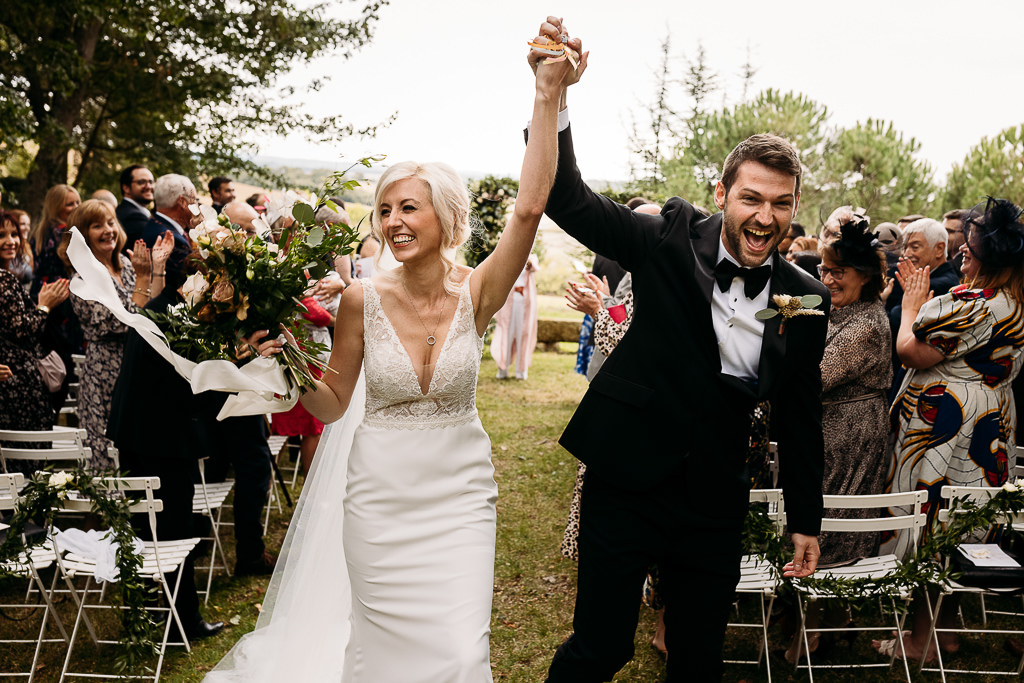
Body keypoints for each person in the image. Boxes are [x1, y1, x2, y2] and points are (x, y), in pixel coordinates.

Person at [205, 36, 581, 683]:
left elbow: (529, 206)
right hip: (379, 499)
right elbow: (331, 401)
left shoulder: (479, 290)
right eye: (384, 209)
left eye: (408, 206)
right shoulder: (359, 299)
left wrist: (548, 95)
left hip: (460, 494)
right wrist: (290, 358)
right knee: (382, 659)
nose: (393, 220)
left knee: (462, 652)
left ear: (445, 214)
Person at [532, 17, 827, 683]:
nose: (764, 215)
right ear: (724, 194)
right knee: (601, 647)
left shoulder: (804, 294)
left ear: (794, 207)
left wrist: (806, 516)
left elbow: (802, 410)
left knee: (697, 661)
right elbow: (567, 198)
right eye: (751, 197)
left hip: (715, 496)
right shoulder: (665, 240)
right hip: (627, 476)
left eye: (780, 204)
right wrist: (555, 97)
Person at [874, 197, 1024, 662]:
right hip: (990, 420)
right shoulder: (1015, 302)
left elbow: (911, 353)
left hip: (948, 424)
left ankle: (921, 641)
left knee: (932, 523)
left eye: (970, 249)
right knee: (962, 524)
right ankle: (946, 631)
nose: (961, 252)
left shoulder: (973, 305)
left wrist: (913, 303)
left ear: (990, 259)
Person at [784, 216, 892, 663]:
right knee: (820, 511)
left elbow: (815, 375)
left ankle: (813, 631)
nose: (827, 279)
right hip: (829, 427)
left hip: (850, 434)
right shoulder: (836, 307)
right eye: (824, 270)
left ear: (865, 277)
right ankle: (826, 620)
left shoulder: (867, 323)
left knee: (830, 516)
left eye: (837, 272)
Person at [60, 199, 172, 470]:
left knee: (143, 449)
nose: (108, 230)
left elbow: (152, 310)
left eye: (110, 222)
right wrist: (145, 279)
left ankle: (146, 508)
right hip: (107, 371)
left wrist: (157, 269)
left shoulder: (126, 263)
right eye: (97, 226)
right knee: (110, 452)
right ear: (84, 235)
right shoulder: (82, 278)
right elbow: (125, 321)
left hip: (139, 363)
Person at [0, 209, 70, 472]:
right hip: (18, 386)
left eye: (14, 234)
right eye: (1, 236)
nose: (11, 241)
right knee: (26, 465)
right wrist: (44, 306)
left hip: (14, 383)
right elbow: (22, 331)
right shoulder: (4, 279)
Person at [492, 253, 539, 380]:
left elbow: (533, 266)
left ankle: (521, 371)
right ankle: (502, 369)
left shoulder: (532, 257)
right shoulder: (509, 254)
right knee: (506, 333)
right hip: (508, 302)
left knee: (523, 334)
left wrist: (525, 254)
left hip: (525, 303)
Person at [116, 165, 155, 247]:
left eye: (151, 182)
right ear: (126, 188)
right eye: (141, 182)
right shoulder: (133, 217)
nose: (148, 186)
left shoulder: (124, 210)